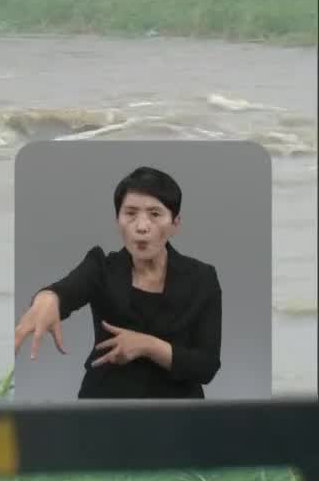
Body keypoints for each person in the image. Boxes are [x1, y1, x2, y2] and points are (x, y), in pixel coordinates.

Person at [13, 166, 222, 398]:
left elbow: (207, 366)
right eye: (130, 213)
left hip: (178, 414)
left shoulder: (202, 278)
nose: (142, 227)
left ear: (175, 223)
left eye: (155, 214)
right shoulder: (101, 267)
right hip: (106, 409)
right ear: (118, 219)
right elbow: (66, 291)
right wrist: (47, 299)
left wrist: (148, 346)